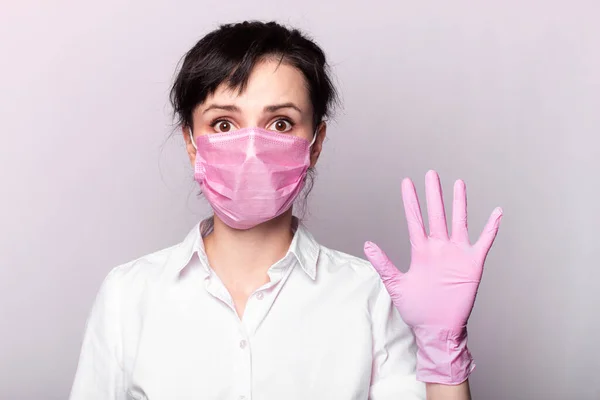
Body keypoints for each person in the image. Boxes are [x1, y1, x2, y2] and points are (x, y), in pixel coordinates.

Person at [69, 21, 503, 400]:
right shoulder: (129, 295)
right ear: (191, 142)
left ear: (315, 143)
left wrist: (443, 349)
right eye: (224, 124)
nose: (253, 149)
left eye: (280, 123)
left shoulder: (369, 296)